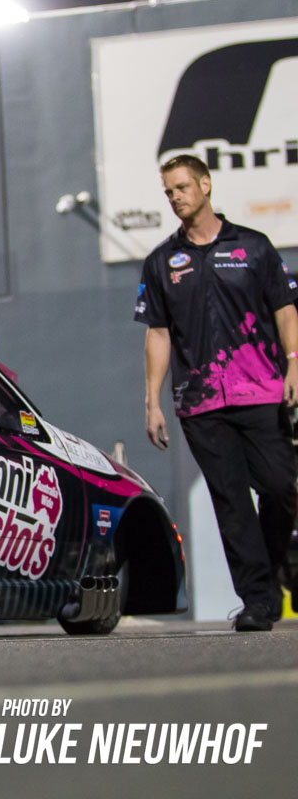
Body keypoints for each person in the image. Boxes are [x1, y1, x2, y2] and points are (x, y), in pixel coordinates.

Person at [137, 154, 298, 632]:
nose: (175, 197)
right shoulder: (161, 261)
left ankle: (273, 568)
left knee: (279, 487)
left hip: (262, 390)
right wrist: (152, 400)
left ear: (206, 185)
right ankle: (257, 599)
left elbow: (286, 309)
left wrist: (294, 364)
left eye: (182, 187)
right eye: (168, 191)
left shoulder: (254, 246)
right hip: (201, 402)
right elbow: (158, 333)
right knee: (231, 503)